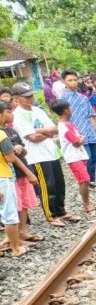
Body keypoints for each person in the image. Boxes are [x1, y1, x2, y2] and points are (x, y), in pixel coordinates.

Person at [10, 82, 77, 226]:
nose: (30, 99)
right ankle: (51, 215)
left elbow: (55, 128)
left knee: (60, 184)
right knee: (47, 187)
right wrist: (46, 132)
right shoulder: (17, 115)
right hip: (37, 157)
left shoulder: (37, 110)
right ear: (16, 98)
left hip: (51, 152)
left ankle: (61, 211)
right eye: (26, 97)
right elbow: (32, 138)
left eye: (31, 96)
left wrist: (39, 131)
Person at [0, 101, 42, 246]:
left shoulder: (11, 130)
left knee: (23, 203)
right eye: (8, 111)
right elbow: (11, 157)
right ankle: (12, 238)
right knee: (12, 206)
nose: (11, 114)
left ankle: (22, 231)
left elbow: (23, 149)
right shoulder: (2, 134)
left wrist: (20, 148)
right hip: (10, 175)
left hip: (21, 171)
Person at [50, 99, 94, 213]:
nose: (71, 110)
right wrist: (82, 138)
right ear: (66, 110)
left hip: (79, 155)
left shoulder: (68, 124)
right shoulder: (64, 127)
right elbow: (77, 142)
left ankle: (87, 203)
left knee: (84, 180)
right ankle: (86, 205)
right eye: (70, 108)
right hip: (74, 157)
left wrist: (80, 138)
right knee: (84, 180)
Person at [60, 69, 96, 187]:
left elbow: (90, 115)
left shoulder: (83, 98)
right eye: (70, 80)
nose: (73, 82)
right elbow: (64, 119)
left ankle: (92, 180)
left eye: (74, 80)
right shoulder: (63, 99)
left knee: (94, 158)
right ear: (64, 82)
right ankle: (86, 180)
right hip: (77, 134)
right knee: (86, 158)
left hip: (89, 130)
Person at [0, 108, 32, 256]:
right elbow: (10, 158)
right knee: (10, 214)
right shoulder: (1, 135)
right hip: (3, 177)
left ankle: (8, 242)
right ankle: (15, 248)